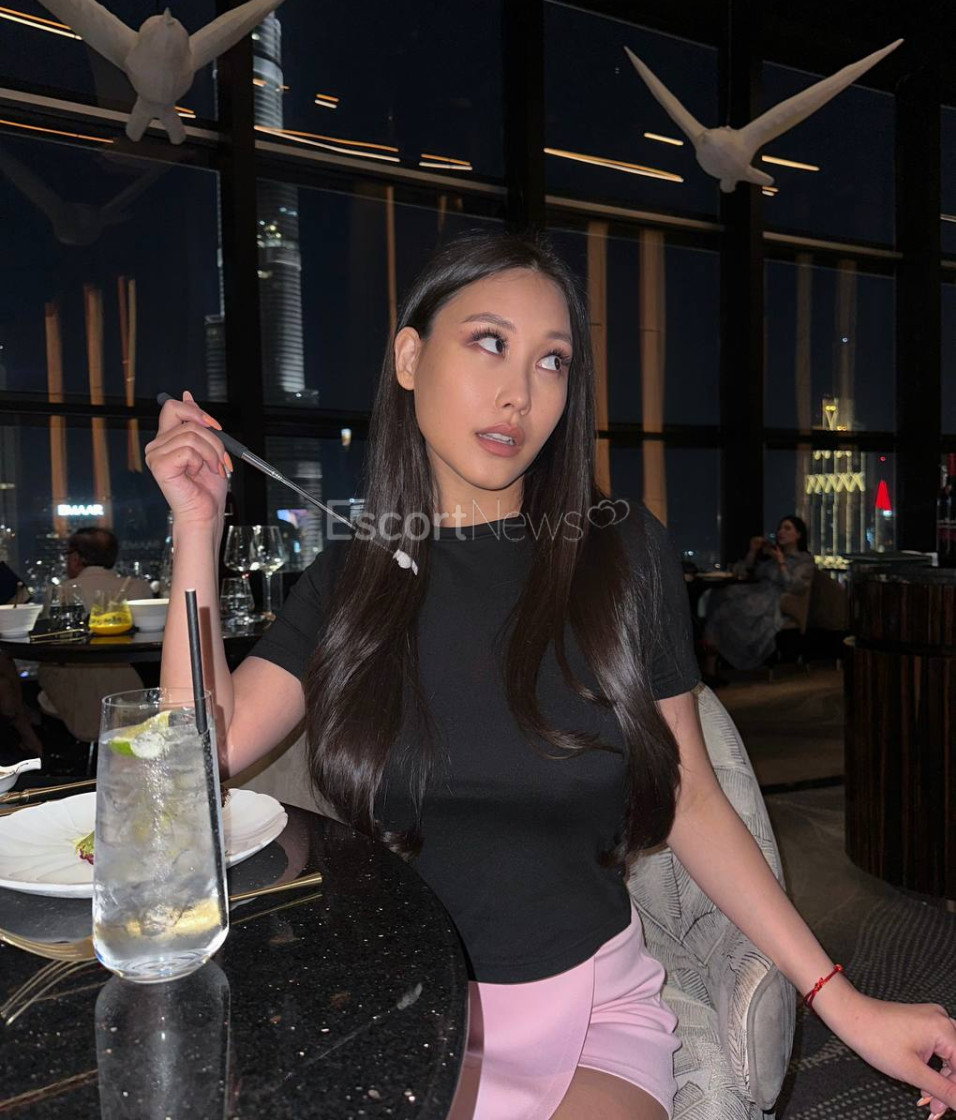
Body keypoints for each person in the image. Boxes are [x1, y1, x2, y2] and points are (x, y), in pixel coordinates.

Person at [146, 232, 954, 1120]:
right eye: (489, 342)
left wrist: (842, 999)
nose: (519, 394)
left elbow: (688, 797)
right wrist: (197, 525)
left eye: (552, 361)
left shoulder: (620, 552)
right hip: (401, 1010)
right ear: (409, 358)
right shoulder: (354, 580)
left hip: (592, 1012)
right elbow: (196, 756)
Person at [36, 527, 153, 746]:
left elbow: (49, 643)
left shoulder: (61, 593)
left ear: (76, 558)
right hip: (134, 693)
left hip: (78, 696)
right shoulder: (140, 588)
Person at [701, 515, 816, 678]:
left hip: (771, 600)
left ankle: (710, 665)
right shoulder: (772, 556)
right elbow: (744, 572)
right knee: (717, 595)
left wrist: (781, 563)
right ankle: (709, 661)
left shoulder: (804, 560)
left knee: (724, 611)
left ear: (798, 534)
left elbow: (793, 586)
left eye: (787, 528)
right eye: (780, 528)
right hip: (757, 592)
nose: (781, 532)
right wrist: (753, 551)